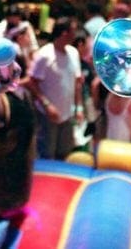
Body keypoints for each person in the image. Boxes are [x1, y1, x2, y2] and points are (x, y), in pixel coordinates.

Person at [24, 16, 83, 160]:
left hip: (67, 114)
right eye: (73, 31)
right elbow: (31, 82)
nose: (76, 35)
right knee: (46, 154)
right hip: (47, 115)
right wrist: (47, 105)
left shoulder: (73, 53)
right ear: (64, 33)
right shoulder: (45, 55)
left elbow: (77, 82)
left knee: (64, 153)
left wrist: (79, 108)